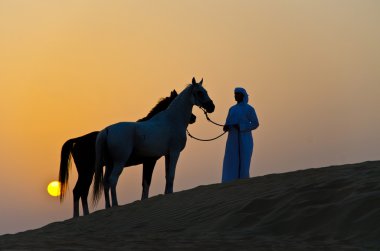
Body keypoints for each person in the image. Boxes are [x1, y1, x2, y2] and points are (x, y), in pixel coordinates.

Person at [222, 87, 259, 183]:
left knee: (244, 160)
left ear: (242, 96)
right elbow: (227, 123)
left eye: (237, 94)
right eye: (235, 94)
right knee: (231, 160)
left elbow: (255, 123)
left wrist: (241, 127)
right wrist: (226, 127)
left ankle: (243, 181)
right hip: (232, 140)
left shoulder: (249, 109)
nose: (235, 95)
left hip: (245, 139)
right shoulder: (232, 109)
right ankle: (229, 181)